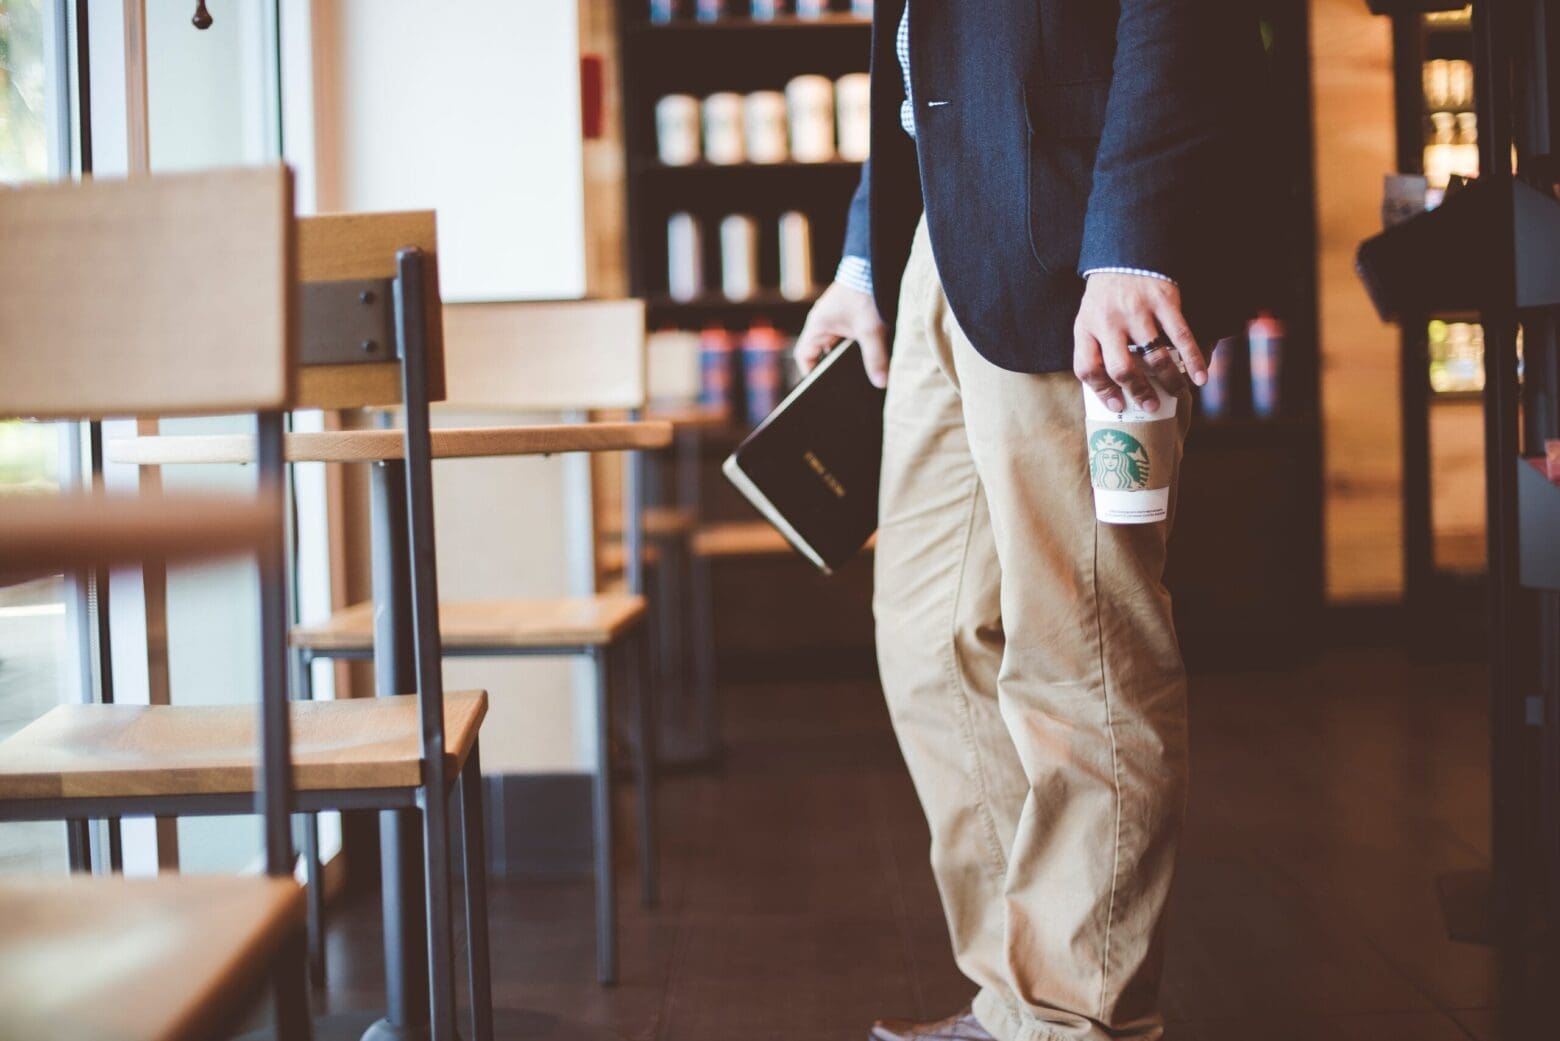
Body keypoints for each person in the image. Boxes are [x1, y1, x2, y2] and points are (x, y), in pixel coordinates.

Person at [794, 3, 1265, 1040]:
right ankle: (1018, 1000)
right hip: (944, 242)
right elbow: (927, 66)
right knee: (926, 644)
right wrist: (867, 262)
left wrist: (1135, 241)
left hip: (1081, 245)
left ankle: (1071, 1018)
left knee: (1080, 648)